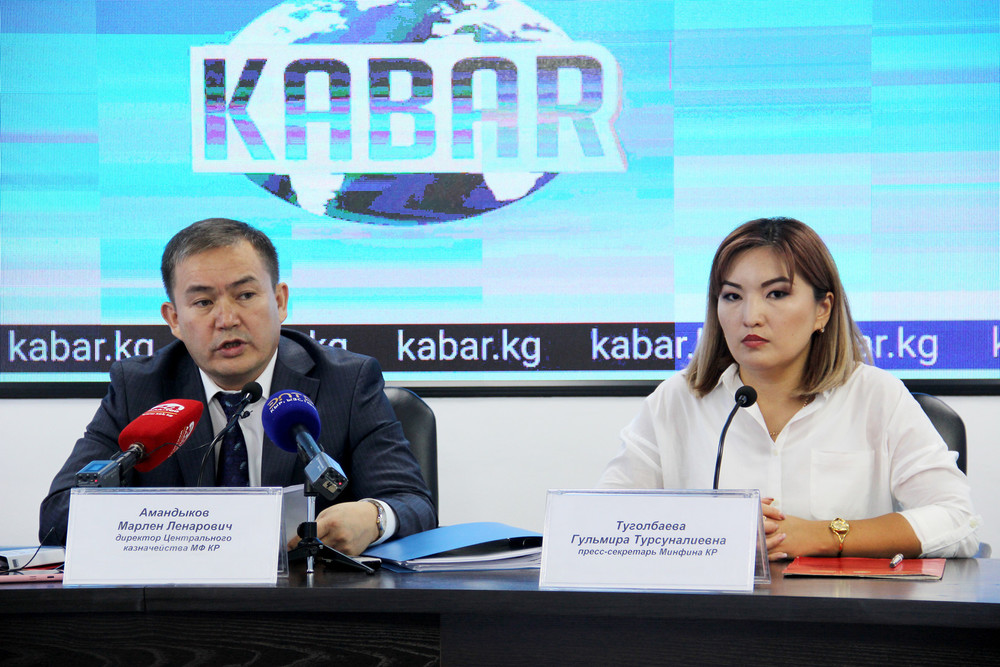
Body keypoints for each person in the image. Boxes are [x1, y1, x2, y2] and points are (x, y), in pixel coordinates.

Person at [39, 218, 436, 554]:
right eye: (203, 302)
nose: (227, 319)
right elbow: (58, 517)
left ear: (279, 301)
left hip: (308, 602)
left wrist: (373, 517)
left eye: (245, 295)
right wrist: (162, 529)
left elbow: (413, 504)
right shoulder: (139, 388)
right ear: (174, 319)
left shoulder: (346, 381)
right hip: (178, 606)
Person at [598, 217, 981, 559]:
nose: (750, 316)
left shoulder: (876, 396)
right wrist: (706, 526)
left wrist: (823, 535)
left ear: (822, 310)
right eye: (732, 296)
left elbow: (957, 521)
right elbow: (604, 518)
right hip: (715, 611)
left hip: (844, 611)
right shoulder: (677, 400)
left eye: (776, 294)